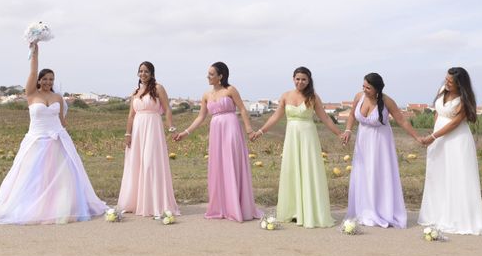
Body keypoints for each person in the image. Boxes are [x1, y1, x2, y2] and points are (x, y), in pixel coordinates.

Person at [0, 43, 107, 224]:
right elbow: (32, 72)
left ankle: (60, 208)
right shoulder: (31, 94)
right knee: (33, 177)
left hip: (57, 140)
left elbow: (63, 121)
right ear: (39, 80)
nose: (48, 82)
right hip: (36, 141)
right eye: (45, 79)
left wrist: (63, 135)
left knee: (63, 178)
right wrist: (35, 53)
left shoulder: (58, 98)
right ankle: (33, 208)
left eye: (51, 80)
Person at [252, 67, 340, 228]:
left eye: (304, 79)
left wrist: (339, 133)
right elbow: (275, 117)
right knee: (291, 170)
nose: (300, 82)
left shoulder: (313, 97)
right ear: (293, 79)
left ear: (309, 80)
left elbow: (325, 118)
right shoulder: (286, 96)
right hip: (291, 137)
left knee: (308, 170)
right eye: (297, 79)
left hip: (308, 137)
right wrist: (260, 131)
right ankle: (293, 210)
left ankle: (308, 210)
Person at [174, 62, 262, 222]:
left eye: (211, 74)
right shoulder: (206, 95)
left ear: (221, 76)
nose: (208, 77)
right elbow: (201, 117)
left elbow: (242, 108)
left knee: (232, 164)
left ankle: (237, 206)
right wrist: (185, 132)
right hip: (216, 131)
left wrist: (249, 129)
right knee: (218, 166)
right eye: (208, 74)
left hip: (231, 127)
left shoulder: (230, 90)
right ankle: (222, 207)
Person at [340, 73, 422, 228]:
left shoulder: (387, 101)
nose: (364, 90)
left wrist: (417, 137)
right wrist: (348, 131)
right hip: (362, 141)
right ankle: (363, 209)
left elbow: (402, 120)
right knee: (363, 174)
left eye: (368, 88)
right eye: (363, 86)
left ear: (377, 88)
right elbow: (351, 114)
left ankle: (380, 210)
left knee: (378, 174)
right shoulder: (359, 96)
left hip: (381, 144)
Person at [418, 67, 482, 235]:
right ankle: (437, 214)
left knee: (457, 177)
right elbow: (437, 113)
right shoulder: (442, 90)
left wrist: (434, 136)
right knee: (438, 175)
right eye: (446, 79)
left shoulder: (464, 99)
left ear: (460, 84)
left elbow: (454, 123)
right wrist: (433, 133)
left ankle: (458, 218)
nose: (446, 83)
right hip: (438, 139)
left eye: (451, 81)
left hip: (456, 141)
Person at [118, 62, 179, 218]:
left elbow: (167, 110)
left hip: (153, 128)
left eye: (146, 71)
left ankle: (154, 202)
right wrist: (127, 134)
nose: (143, 74)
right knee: (136, 164)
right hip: (137, 130)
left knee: (150, 162)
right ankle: (136, 202)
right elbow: (131, 115)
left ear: (152, 73)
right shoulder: (136, 92)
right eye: (140, 71)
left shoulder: (158, 88)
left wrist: (171, 129)